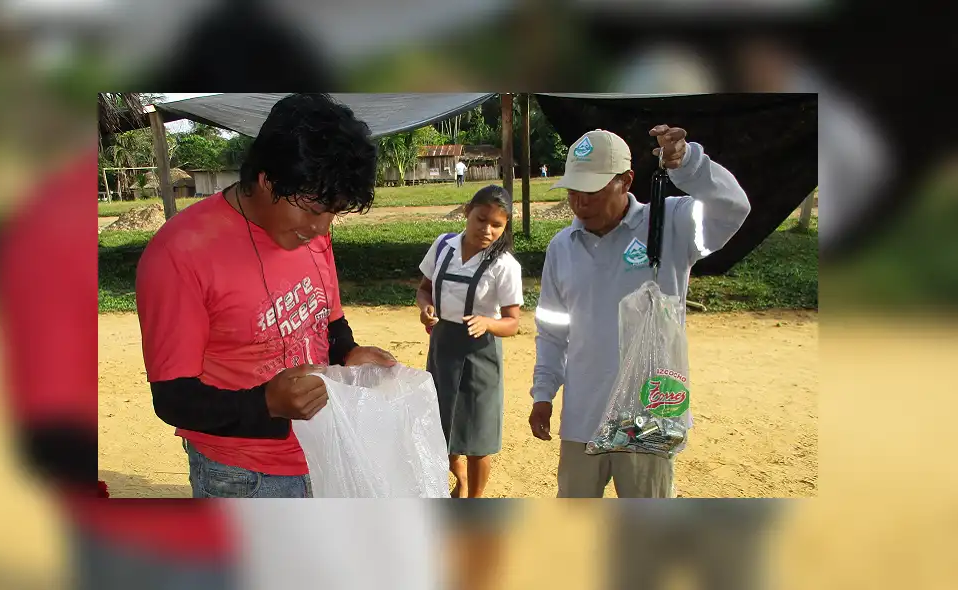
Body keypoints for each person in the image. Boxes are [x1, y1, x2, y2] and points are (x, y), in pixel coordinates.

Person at [135, 93, 397, 499]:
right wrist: (267, 405)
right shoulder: (181, 253)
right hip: (243, 476)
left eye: (334, 211)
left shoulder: (311, 231)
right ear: (267, 180)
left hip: (324, 450)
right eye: (313, 210)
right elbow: (173, 398)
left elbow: (328, 320)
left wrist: (348, 353)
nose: (322, 227)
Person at [528, 126, 750, 498]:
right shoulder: (561, 248)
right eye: (573, 191)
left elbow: (732, 208)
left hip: (650, 415)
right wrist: (543, 393)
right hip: (583, 418)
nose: (581, 203)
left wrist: (690, 165)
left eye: (593, 190)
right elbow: (552, 331)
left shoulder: (671, 222)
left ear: (626, 180)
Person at [417, 185, 524, 498]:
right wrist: (426, 308)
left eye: (497, 225)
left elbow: (513, 322)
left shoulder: (505, 265)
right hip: (443, 349)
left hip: (481, 355)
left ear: (505, 226)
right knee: (441, 432)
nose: (487, 230)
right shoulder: (443, 246)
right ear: (467, 212)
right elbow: (424, 289)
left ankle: (474, 501)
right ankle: (460, 480)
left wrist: (488, 323)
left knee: (478, 440)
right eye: (481, 219)